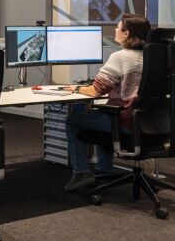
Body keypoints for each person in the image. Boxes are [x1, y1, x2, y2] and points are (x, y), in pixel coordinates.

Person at [62, 13, 151, 191]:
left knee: (73, 120)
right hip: (151, 122)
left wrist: (76, 88)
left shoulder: (121, 57)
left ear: (126, 33)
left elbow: (96, 90)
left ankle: (81, 173)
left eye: (118, 27)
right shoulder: (153, 57)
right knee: (103, 114)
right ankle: (104, 171)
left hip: (125, 121)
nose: (115, 30)